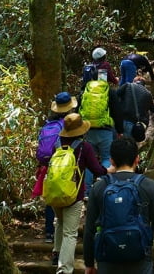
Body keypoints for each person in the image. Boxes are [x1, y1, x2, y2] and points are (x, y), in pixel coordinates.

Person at [83, 137, 154, 274]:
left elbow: (90, 229)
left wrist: (89, 263)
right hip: (140, 261)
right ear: (137, 159)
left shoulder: (99, 187)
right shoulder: (149, 186)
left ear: (112, 161)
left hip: (107, 260)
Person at [48, 113, 110, 274]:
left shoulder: (56, 143)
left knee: (60, 223)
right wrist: (107, 171)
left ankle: (56, 252)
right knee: (70, 233)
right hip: (74, 195)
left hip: (54, 192)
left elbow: (45, 161)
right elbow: (96, 169)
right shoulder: (84, 147)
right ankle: (64, 269)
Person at [32, 92, 78, 244]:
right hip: (63, 164)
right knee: (64, 192)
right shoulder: (67, 124)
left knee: (50, 197)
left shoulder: (47, 123)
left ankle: (49, 233)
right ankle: (63, 231)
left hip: (48, 165)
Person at [79, 77, 123, 200]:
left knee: (88, 160)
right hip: (105, 129)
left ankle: (86, 192)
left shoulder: (85, 91)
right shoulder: (109, 91)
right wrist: (120, 130)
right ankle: (104, 188)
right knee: (106, 158)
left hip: (88, 129)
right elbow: (117, 111)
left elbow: (79, 109)